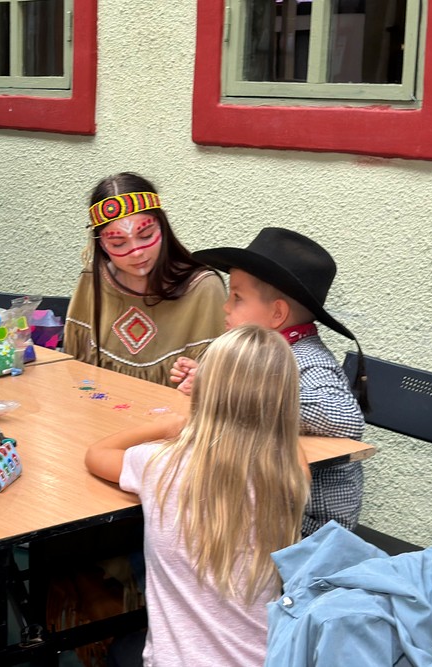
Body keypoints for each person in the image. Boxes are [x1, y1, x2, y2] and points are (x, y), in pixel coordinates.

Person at [86, 325, 311, 667]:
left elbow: (97, 454)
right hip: (265, 659)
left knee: (121, 649)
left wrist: (168, 427)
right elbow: (287, 443)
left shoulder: (161, 464)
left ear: (203, 392)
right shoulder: (290, 475)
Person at [170, 227, 366, 536]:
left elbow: (346, 418)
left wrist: (228, 391)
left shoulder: (309, 361)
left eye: (237, 297)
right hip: (260, 506)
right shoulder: (257, 354)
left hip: (306, 530)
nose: (225, 307)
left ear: (277, 314)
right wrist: (208, 380)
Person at [63, 173, 226, 385]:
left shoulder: (203, 289)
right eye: (118, 243)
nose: (137, 252)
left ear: (162, 227)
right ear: (101, 244)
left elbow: (218, 384)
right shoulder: (92, 281)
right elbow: (76, 372)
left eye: (146, 235)